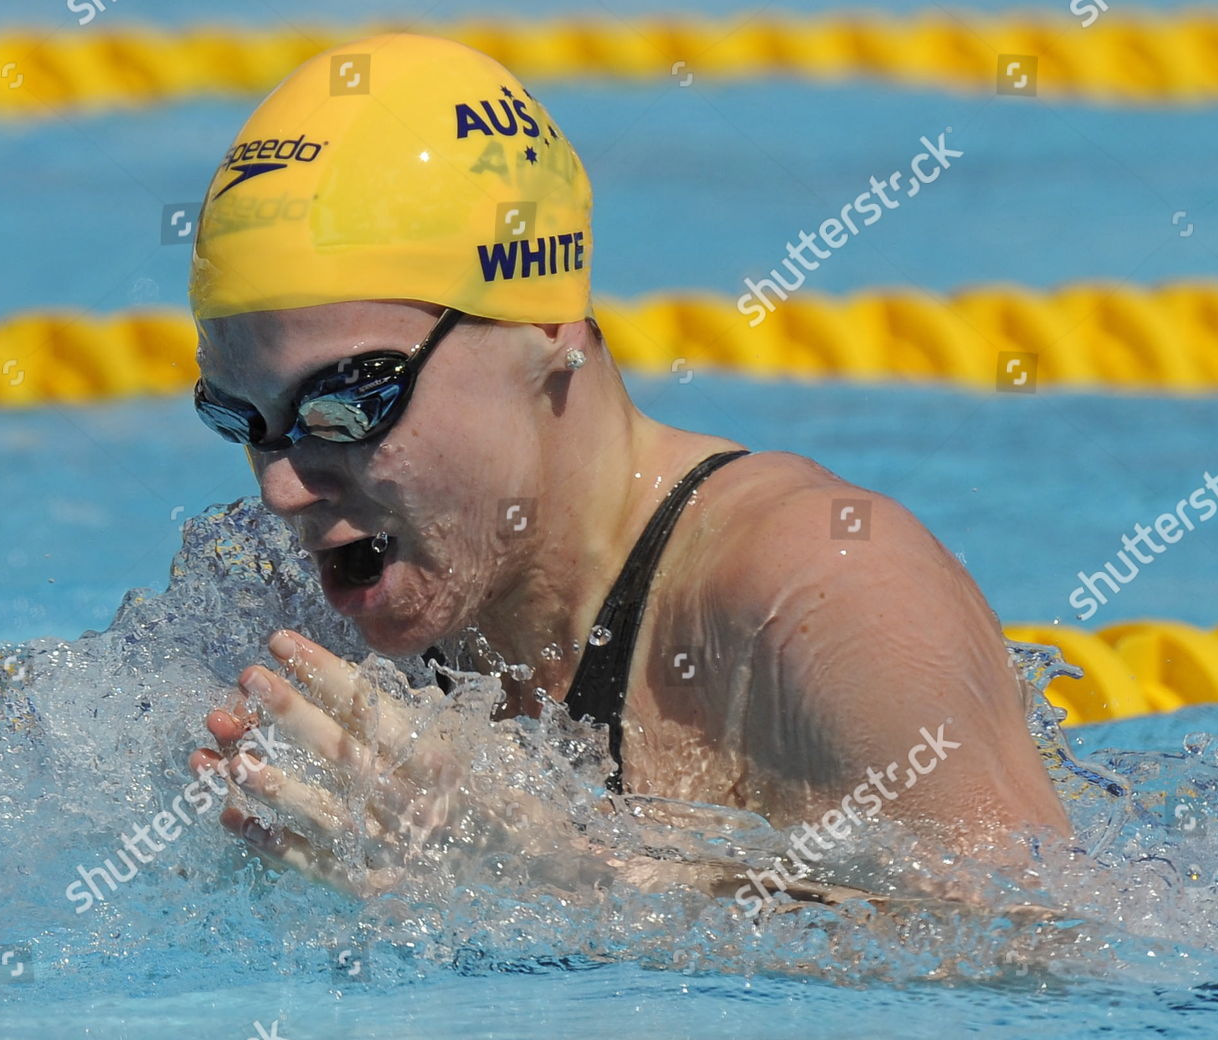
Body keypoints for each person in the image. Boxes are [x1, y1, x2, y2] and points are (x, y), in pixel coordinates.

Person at [185, 33, 1072, 902]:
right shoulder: (300, 632)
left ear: (543, 324)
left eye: (349, 401)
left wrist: (582, 883)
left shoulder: (823, 595)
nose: (280, 484)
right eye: (243, 419)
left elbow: (1045, 961)